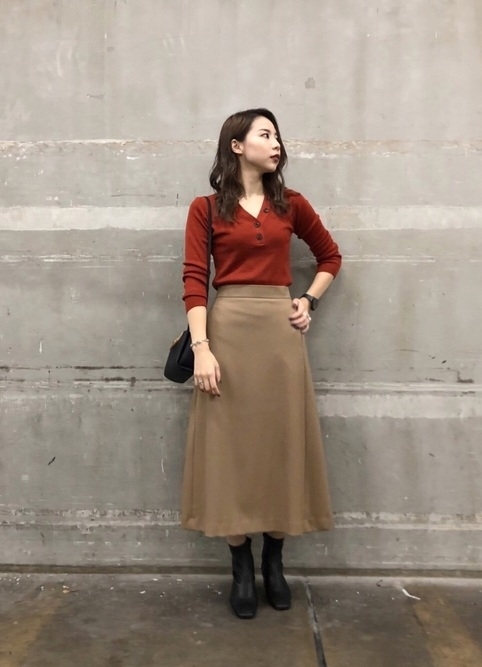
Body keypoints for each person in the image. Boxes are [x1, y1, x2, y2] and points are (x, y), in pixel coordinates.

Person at [181, 108, 342, 619]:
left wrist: (308, 300)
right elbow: (193, 279)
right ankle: (241, 566)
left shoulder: (292, 205)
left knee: (278, 444)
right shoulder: (206, 208)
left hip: (279, 337)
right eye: (265, 135)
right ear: (236, 145)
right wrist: (202, 348)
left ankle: (274, 561)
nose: (276, 144)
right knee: (231, 448)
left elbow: (331, 257)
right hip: (227, 332)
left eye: (277, 136)